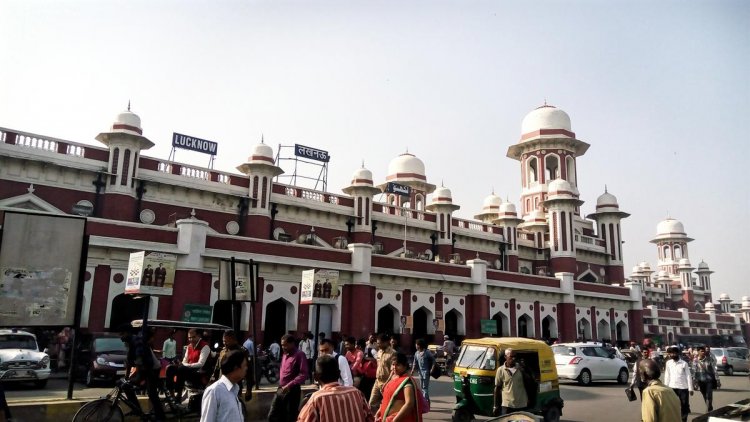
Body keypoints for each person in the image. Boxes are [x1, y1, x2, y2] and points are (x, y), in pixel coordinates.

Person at [298, 355, 374, 422]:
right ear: (338, 373)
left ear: (315, 377)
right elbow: (370, 418)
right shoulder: (357, 393)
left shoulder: (316, 399)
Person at [120, 327, 165, 421]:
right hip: (144, 368)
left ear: (127, 333)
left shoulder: (137, 341)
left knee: (152, 393)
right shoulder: (130, 343)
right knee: (125, 386)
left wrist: (137, 378)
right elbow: (129, 361)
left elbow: (140, 361)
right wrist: (126, 378)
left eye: (122, 334)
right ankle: (137, 410)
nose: (121, 337)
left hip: (152, 369)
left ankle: (160, 417)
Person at [268, 334, 308, 422]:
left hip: (292, 389)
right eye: (282, 345)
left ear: (292, 343)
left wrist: (289, 385)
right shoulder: (285, 355)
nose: (283, 347)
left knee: (290, 415)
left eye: (285, 345)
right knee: (273, 414)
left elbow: (303, 374)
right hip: (281, 388)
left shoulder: (299, 355)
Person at [200, 349, 247, 422]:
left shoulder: (234, 389)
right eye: (244, 365)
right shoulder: (214, 391)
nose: (246, 368)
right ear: (236, 368)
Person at [375, 353, 423, 422]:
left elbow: (409, 404)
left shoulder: (407, 382)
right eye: (393, 364)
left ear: (405, 366)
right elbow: (386, 399)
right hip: (386, 418)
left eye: (398, 365)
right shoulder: (393, 377)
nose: (394, 367)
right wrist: (379, 412)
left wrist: (395, 420)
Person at [166, 328, 211, 401]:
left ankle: (178, 395)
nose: (191, 339)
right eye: (189, 337)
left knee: (182, 368)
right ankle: (171, 393)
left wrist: (185, 365)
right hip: (187, 370)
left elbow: (200, 364)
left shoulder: (205, 346)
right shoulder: (189, 346)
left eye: (193, 337)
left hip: (199, 373)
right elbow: (185, 360)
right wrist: (182, 364)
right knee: (170, 368)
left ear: (199, 336)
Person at [211, 330, 253, 401]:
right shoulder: (223, 352)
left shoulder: (242, 352)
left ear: (234, 340)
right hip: (221, 384)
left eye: (227, 341)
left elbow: (249, 372)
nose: (224, 343)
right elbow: (217, 369)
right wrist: (212, 381)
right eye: (223, 341)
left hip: (235, 386)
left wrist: (248, 390)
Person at [493, 348, 528, 416]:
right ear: (505, 357)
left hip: (521, 404)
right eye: (511, 356)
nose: (514, 358)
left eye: (515, 356)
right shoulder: (500, 370)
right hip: (507, 405)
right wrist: (495, 406)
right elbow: (497, 388)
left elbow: (528, 384)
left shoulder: (521, 369)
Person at [368, 333, 396, 412]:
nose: (378, 345)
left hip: (387, 382)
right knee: (371, 404)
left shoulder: (393, 353)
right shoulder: (379, 352)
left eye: (379, 343)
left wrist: (387, 383)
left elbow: (393, 371)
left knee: (388, 405)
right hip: (377, 381)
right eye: (377, 343)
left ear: (386, 342)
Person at [663, 346, 692, 421]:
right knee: (672, 405)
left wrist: (690, 388)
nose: (671, 355)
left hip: (683, 388)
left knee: (684, 405)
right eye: (670, 353)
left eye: (673, 353)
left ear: (677, 353)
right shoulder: (668, 363)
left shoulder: (684, 363)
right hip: (672, 387)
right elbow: (667, 375)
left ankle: (684, 419)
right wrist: (666, 387)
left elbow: (688, 376)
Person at [693, 346, 720, 412]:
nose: (703, 352)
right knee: (704, 394)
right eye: (702, 351)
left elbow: (714, 369)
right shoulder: (695, 360)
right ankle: (709, 406)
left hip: (709, 380)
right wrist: (694, 382)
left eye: (704, 351)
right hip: (700, 380)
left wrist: (717, 379)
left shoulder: (710, 359)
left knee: (709, 394)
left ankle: (708, 409)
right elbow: (694, 371)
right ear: (698, 352)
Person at [410, 338, 436, 403]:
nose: (415, 346)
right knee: (422, 388)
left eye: (416, 344)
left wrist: (432, 369)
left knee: (424, 388)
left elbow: (433, 361)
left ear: (419, 345)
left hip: (426, 373)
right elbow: (414, 363)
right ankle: (427, 401)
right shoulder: (416, 353)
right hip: (420, 373)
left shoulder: (427, 352)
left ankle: (425, 402)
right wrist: (412, 370)